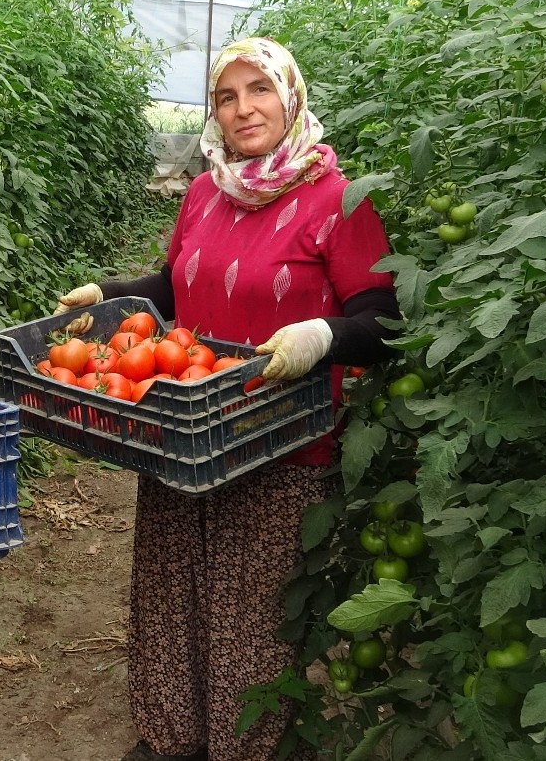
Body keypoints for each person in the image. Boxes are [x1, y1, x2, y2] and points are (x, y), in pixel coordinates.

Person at [54, 37, 400, 761]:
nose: (243, 109)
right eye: (226, 96)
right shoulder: (206, 192)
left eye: (259, 90)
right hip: (184, 425)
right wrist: (110, 295)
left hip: (280, 441)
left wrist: (321, 335)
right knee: (170, 592)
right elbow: (175, 286)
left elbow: (383, 321)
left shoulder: (338, 200)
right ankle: (171, 737)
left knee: (251, 614)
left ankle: (246, 746)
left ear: (290, 96)